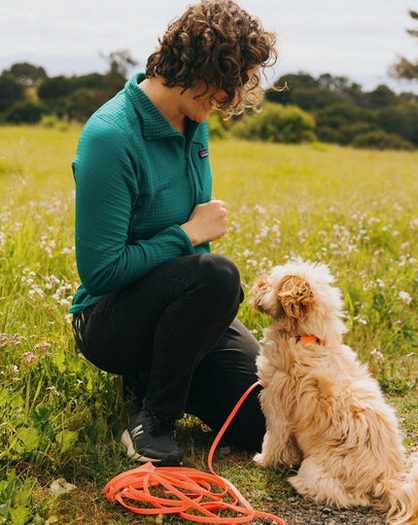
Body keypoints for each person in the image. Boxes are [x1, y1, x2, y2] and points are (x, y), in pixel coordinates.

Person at [70, 0, 278, 466]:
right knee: (220, 275)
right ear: (192, 66)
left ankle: (158, 375)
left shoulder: (194, 119)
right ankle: (154, 419)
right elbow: (101, 272)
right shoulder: (110, 136)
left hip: (181, 307)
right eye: (223, 85)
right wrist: (187, 234)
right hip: (109, 319)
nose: (226, 100)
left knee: (264, 424)